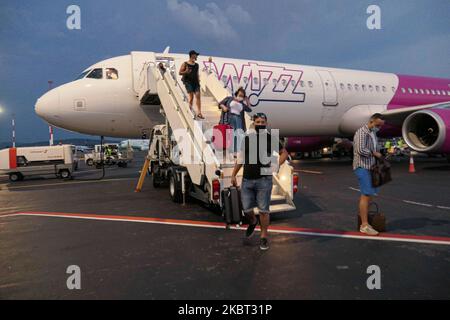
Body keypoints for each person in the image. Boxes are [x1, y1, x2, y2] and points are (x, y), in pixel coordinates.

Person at [231, 113, 289, 250]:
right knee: (246, 209)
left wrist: (276, 165)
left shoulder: (271, 138)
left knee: (264, 210)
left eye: (262, 122)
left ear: (266, 123)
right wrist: (233, 174)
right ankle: (252, 221)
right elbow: (241, 158)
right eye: (258, 122)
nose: (260, 124)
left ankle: (263, 237)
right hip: (247, 179)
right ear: (254, 123)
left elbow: (284, 153)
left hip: (264, 179)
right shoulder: (248, 138)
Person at [353, 113, 385, 236]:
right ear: (371, 122)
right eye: (377, 125)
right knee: (366, 194)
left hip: (371, 167)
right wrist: (374, 153)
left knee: (369, 194)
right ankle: (364, 225)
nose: (379, 128)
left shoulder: (372, 133)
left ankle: (365, 221)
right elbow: (360, 150)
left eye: (381, 126)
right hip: (362, 166)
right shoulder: (362, 132)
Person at [219, 87, 252, 155]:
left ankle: (235, 152)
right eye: (240, 95)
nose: (240, 97)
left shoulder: (242, 104)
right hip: (229, 118)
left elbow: (249, 109)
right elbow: (220, 104)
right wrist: (224, 107)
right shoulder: (229, 99)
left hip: (239, 120)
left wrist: (247, 100)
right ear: (236, 94)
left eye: (242, 96)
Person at [179, 50, 204, 119]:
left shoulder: (196, 65)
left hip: (195, 82)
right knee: (191, 97)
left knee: (198, 96)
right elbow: (180, 72)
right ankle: (189, 109)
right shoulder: (185, 64)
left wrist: (198, 80)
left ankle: (199, 112)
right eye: (196, 55)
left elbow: (197, 73)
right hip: (188, 82)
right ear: (192, 55)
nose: (197, 56)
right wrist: (186, 71)